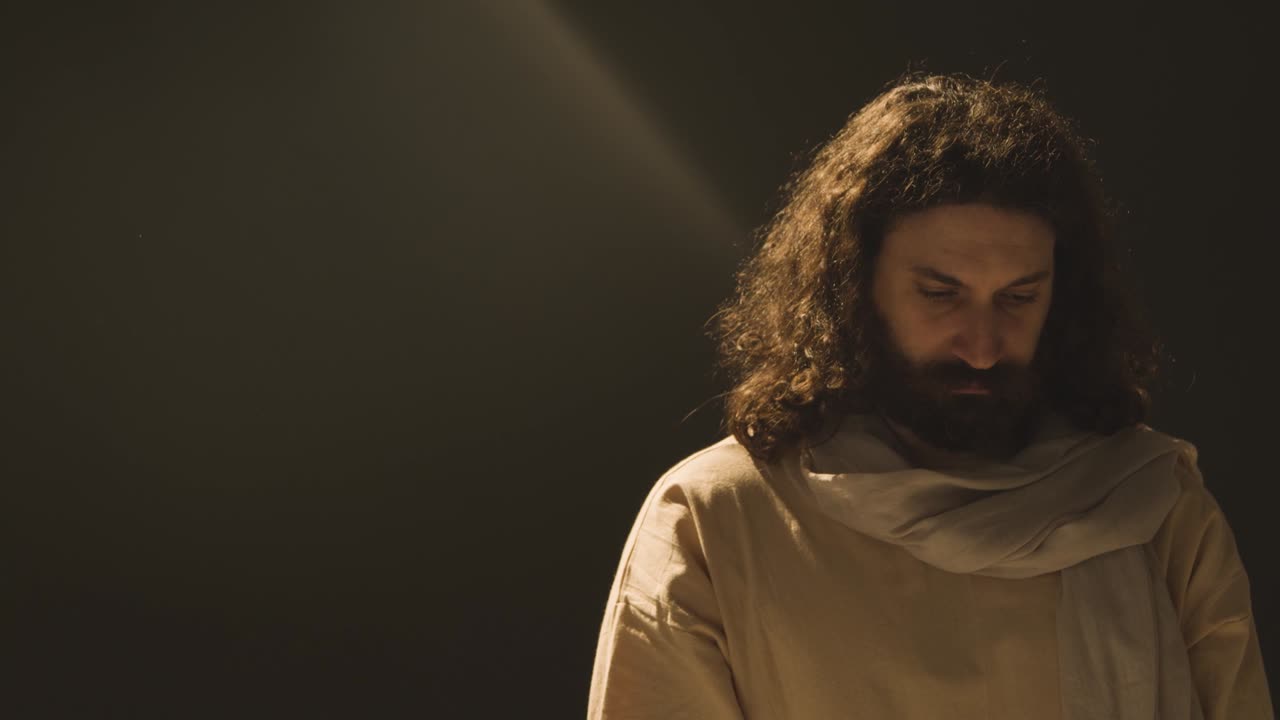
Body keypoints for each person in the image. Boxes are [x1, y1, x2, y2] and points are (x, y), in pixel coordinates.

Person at [587, 73, 1274, 719]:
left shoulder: (1156, 509)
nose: (981, 345)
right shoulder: (714, 520)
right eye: (940, 294)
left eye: (1018, 298)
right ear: (853, 290)